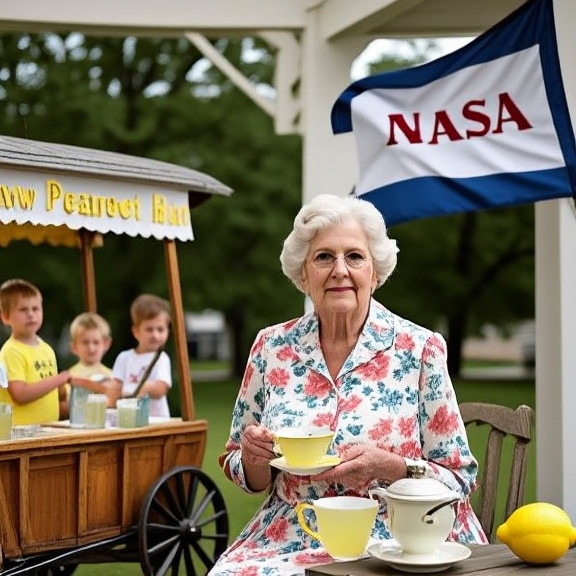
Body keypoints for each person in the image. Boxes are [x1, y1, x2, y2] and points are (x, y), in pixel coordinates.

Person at [209, 194, 488, 576]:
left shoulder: (420, 349)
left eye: (354, 257)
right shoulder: (271, 346)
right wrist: (255, 457)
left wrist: (392, 467)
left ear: (375, 273)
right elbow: (239, 465)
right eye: (324, 257)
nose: (339, 269)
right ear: (303, 275)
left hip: (401, 534)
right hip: (293, 529)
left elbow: (460, 478)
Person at [0, 278, 71, 424]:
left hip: (49, 429)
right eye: (23, 309)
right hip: (20, 435)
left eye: (35, 308)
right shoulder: (11, 351)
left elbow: (51, 391)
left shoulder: (47, 349)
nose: (31, 314)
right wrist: (59, 379)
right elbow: (19, 395)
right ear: (6, 317)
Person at [112, 293, 172, 418]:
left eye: (160, 329)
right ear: (136, 331)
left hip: (157, 422)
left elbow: (161, 390)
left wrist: (138, 389)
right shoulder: (124, 358)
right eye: (149, 329)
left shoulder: (162, 358)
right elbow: (114, 389)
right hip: (128, 419)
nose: (155, 335)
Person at [63, 311, 119, 419]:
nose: (91, 348)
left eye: (96, 342)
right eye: (85, 342)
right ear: (74, 347)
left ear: (106, 344)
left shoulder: (113, 375)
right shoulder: (70, 376)